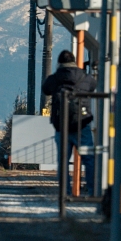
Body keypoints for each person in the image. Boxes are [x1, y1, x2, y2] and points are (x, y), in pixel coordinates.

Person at [42, 50, 96, 193]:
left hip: (62, 126)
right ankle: (93, 192)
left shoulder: (55, 78)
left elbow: (45, 89)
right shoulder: (85, 77)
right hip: (82, 125)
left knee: (63, 161)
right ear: (74, 61)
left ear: (59, 63)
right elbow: (93, 86)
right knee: (89, 160)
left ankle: (64, 195)